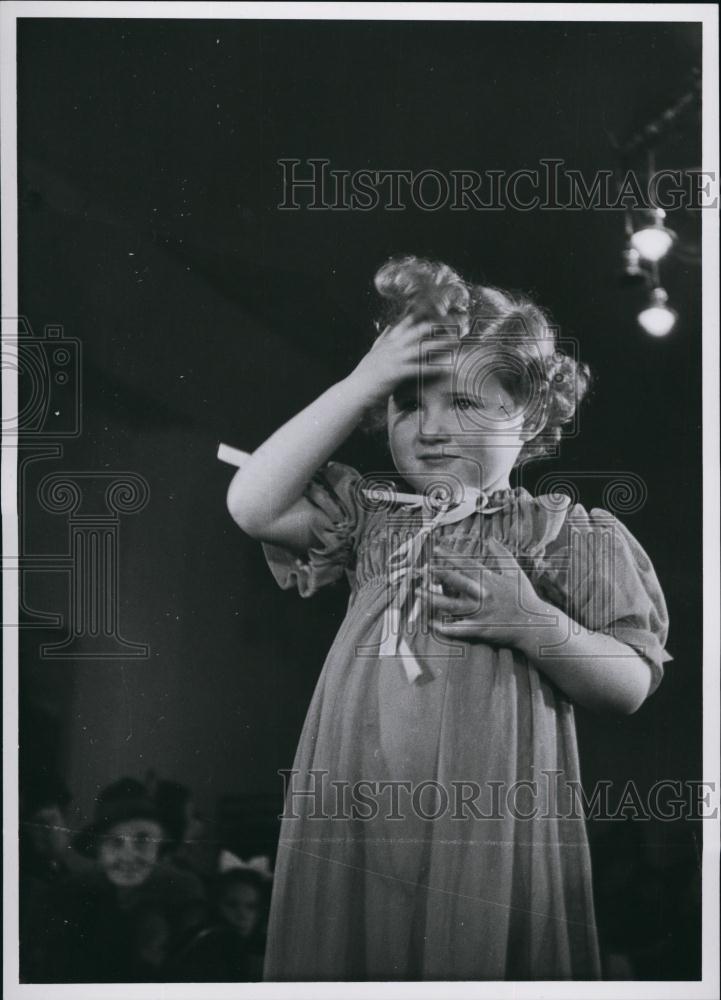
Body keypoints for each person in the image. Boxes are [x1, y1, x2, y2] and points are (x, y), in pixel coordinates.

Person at [225, 255, 672, 981]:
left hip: (486, 819)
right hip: (358, 806)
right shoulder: (369, 524)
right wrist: (362, 380)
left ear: (528, 415)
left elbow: (627, 682)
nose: (431, 428)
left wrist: (533, 622)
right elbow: (252, 504)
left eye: (464, 403)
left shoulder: (565, 534)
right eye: (406, 404)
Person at [44, 777, 207, 982]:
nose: (128, 854)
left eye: (141, 840)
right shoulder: (76, 891)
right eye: (114, 841)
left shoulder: (181, 889)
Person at [170, 866, 271, 981]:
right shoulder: (216, 943)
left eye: (251, 907)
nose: (242, 915)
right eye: (232, 905)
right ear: (215, 905)